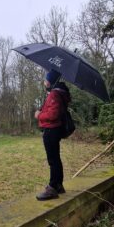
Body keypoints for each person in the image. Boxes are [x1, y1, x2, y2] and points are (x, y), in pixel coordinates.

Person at [34, 70, 71, 201]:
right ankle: (59, 185)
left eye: (45, 80)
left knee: (52, 160)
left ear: (50, 81)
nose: (44, 82)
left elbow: (53, 115)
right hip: (53, 130)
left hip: (51, 130)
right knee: (56, 158)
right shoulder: (56, 93)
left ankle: (52, 188)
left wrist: (40, 115)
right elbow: (52, 109)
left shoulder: (54, 94)